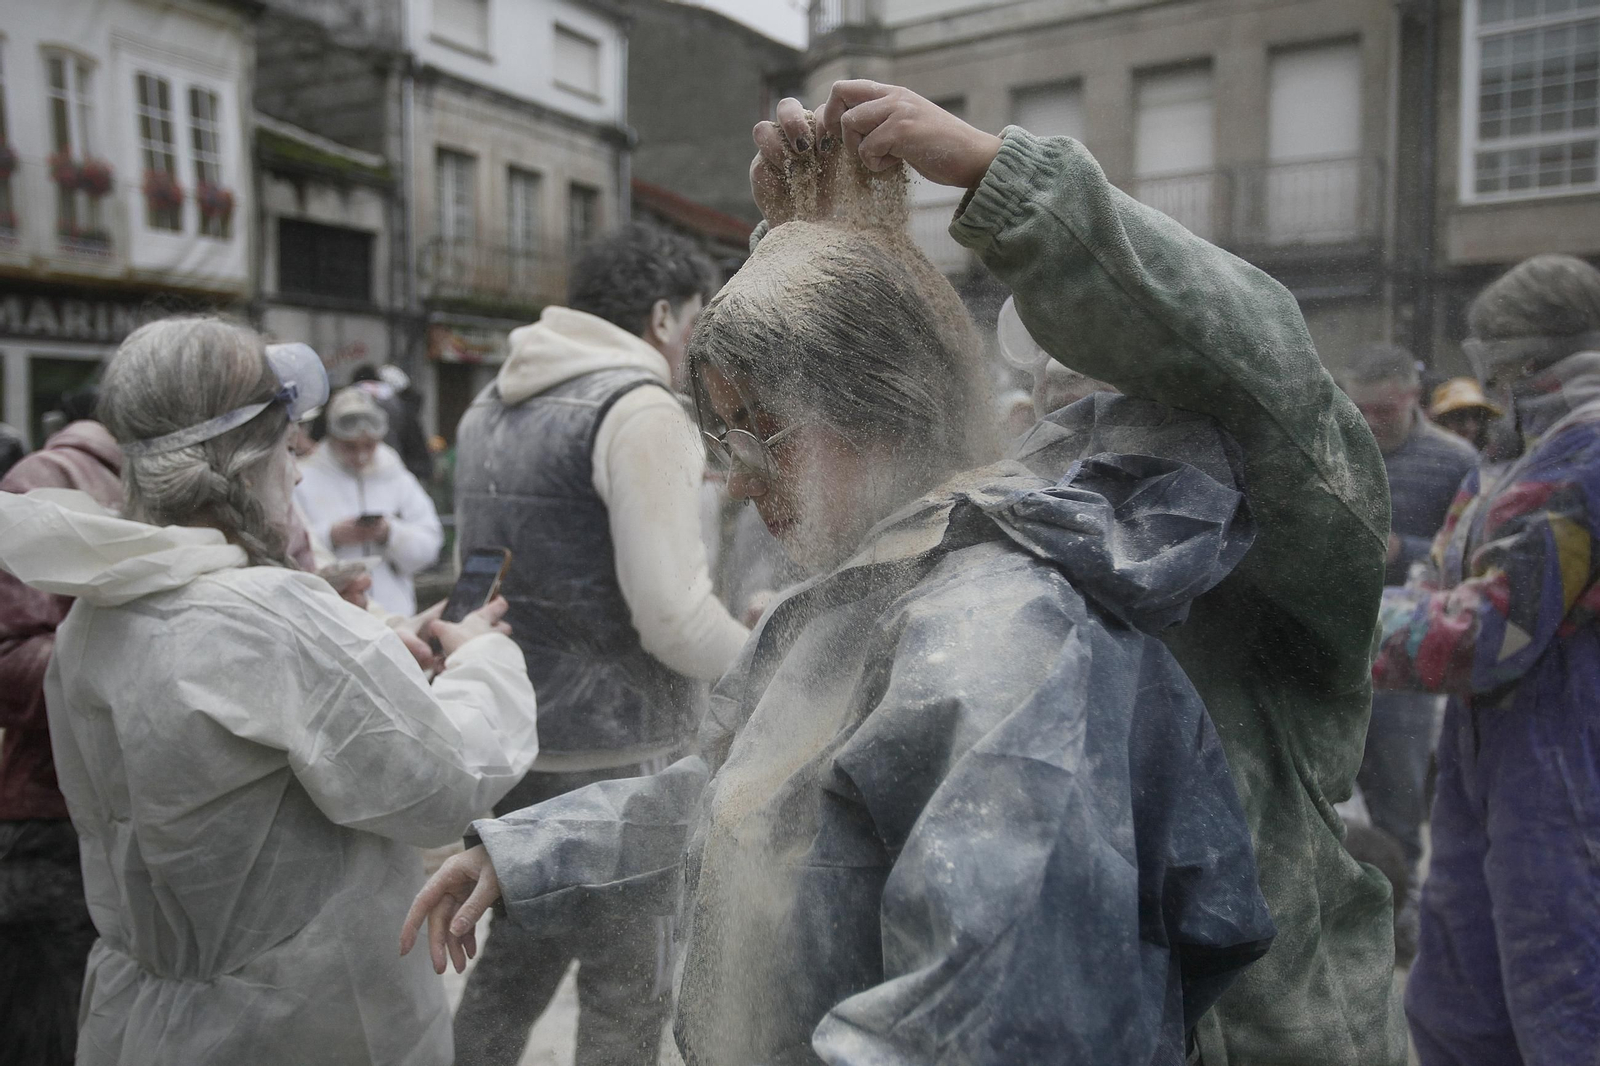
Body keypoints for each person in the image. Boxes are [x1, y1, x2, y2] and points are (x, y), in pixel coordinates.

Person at [404, 80, 1403, 1064]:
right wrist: (814, 256)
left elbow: (988, 1018)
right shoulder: (896, 579)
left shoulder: (1022, 625)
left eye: (770, 439)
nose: (744, 490)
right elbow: (749, 798)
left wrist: (1006, 184)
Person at [0, 316, 540, 1066]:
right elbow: (443, 781)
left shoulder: (99, 610)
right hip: (303, 1024)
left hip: (149, 1022)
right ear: (245, 458)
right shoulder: (272, 616)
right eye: (288, 447)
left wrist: (370, 649)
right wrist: (484, 659)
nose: (297, 469)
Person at [449, 221, 749, 1066]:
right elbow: (675, 619)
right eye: (697, 320)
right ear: (663, 317)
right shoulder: (640, 406)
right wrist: (765, 666)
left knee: (510, 969)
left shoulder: (488, 403)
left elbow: (479, 578)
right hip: (625, 754)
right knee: (627, 995)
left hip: (515, 741)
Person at [1373, 254, 1600, 1064]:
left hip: (1565, 761)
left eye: (1502, 365)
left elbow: (1484, 636)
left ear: (1536, 363)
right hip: (1485, 756)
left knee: (1563, 995)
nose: (1492, 385)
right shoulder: (1510, 460)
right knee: (1455, 996)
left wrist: (1340, 623)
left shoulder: (1584, 465)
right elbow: (1443, 572)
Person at [1338, 343, 1478, 961]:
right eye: (1359, 410)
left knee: (1399, 796)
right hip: (1334, 647)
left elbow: (1477, 562)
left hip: (1407, 665)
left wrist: (1406, 550)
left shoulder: (1456, 463)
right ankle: (1347, 919)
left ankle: (1403, 924)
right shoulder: (1334, 446)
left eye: (1383, 413)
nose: (1369, 424)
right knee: (1329, 797)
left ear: (1412, 401)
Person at [0, 413, 122, 1066]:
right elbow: (9, 657)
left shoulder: (218, 486)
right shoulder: (46, 481)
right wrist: (143, 663)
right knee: (49, 1035)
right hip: (56, 824)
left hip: (149, 830)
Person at [295, 386, 444, 615]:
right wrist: (331, 536)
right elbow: (289, 549)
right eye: (350, 446)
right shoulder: (304, 478)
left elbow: (431, 542)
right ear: (332, 437)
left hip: (396, 614)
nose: (361, 456)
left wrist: (390, 533)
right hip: (332, 614)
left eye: (369, 445)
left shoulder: (396, 476)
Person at [1428, 377, 1503, 452]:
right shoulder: (1429, 457)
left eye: (1476, 416)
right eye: (1459, 417)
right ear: (1441, 421)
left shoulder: (1492, 457)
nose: (1469, 426)